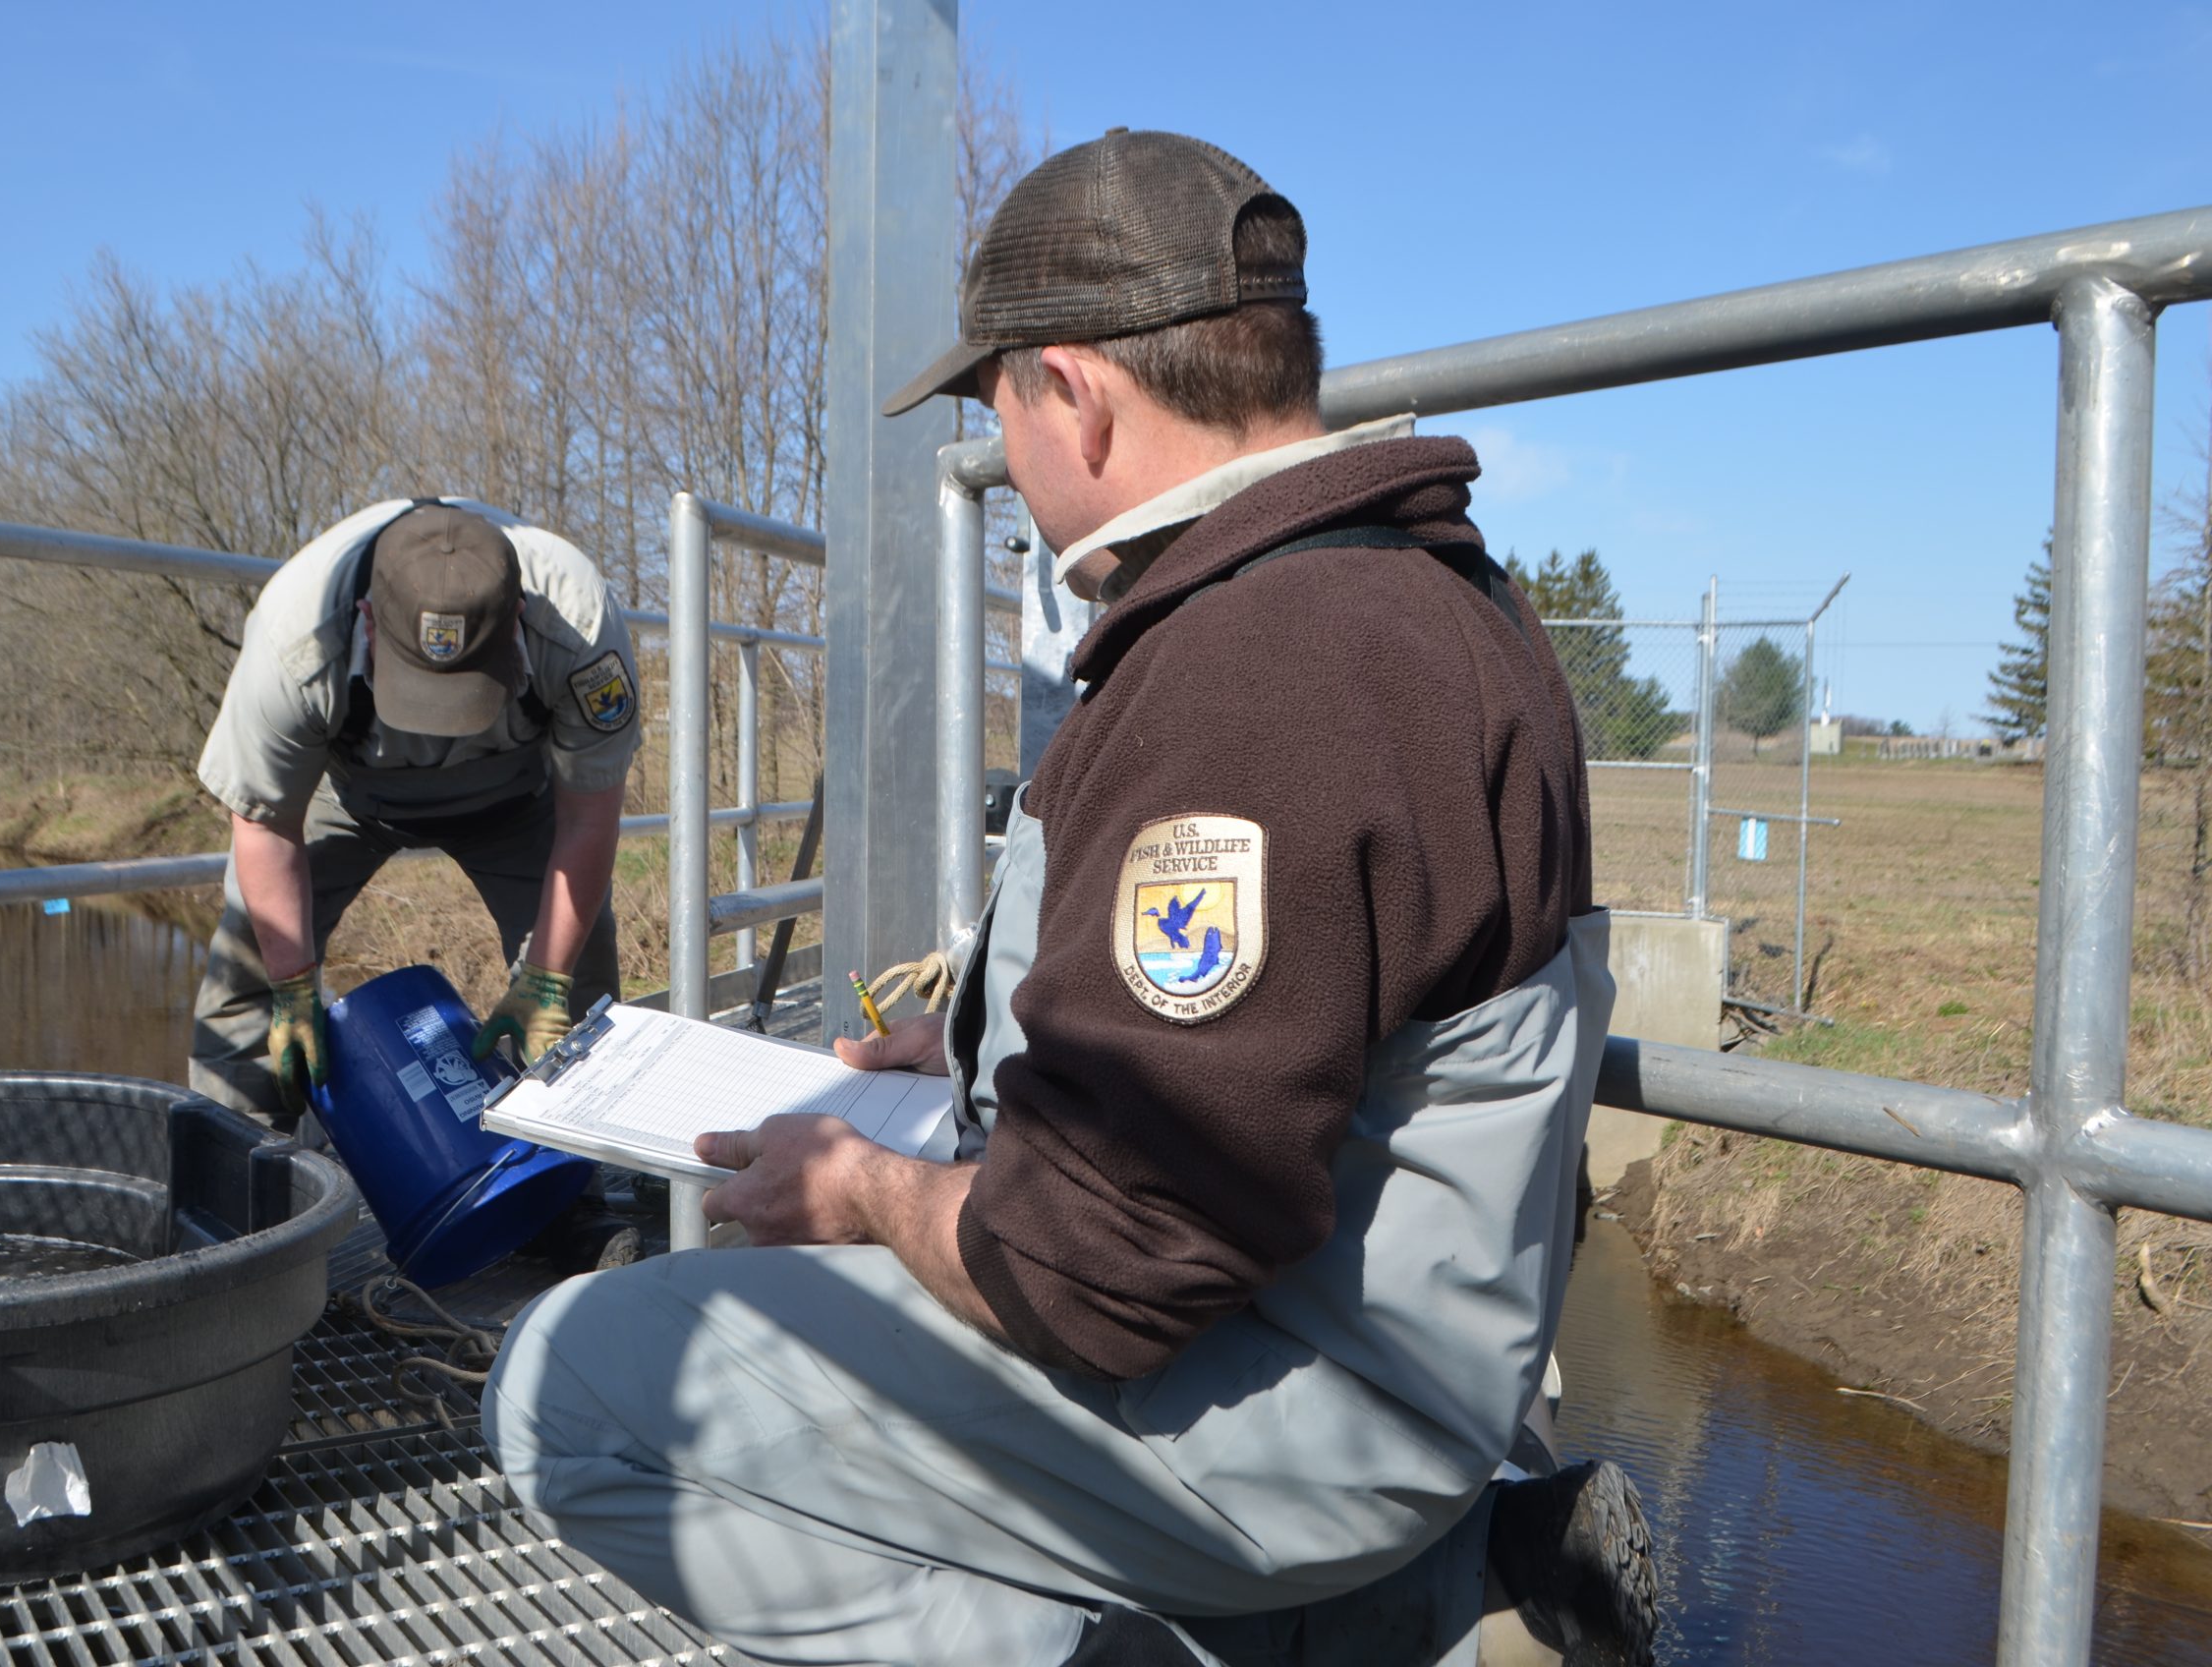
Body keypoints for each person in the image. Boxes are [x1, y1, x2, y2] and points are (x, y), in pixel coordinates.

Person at [482, 131, 1651, 1666]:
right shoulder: (1430, 602)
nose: (1003, 464)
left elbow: (1098, 1271)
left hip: (1309, 1413)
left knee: (575, 1382)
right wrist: (972, 1053)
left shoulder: (1266, 668)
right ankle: (1455, 1594)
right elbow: (1291, 1019)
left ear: (1075, 398)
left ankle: (1303, 1628)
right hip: (1398, 1352)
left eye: (995, 407)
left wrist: (865, 1193)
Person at [190, 497, 638, 1132]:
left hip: (514, 799)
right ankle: (242, 1187)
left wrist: (546, 979)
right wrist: (291, 983)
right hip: (349, 792)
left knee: (579, 980)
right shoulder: (295, 634)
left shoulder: (578, 623)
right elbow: (266, 823)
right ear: (367, 619)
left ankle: (578, 1196)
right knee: (248, 977)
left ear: (518, 618)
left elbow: (588, 819)